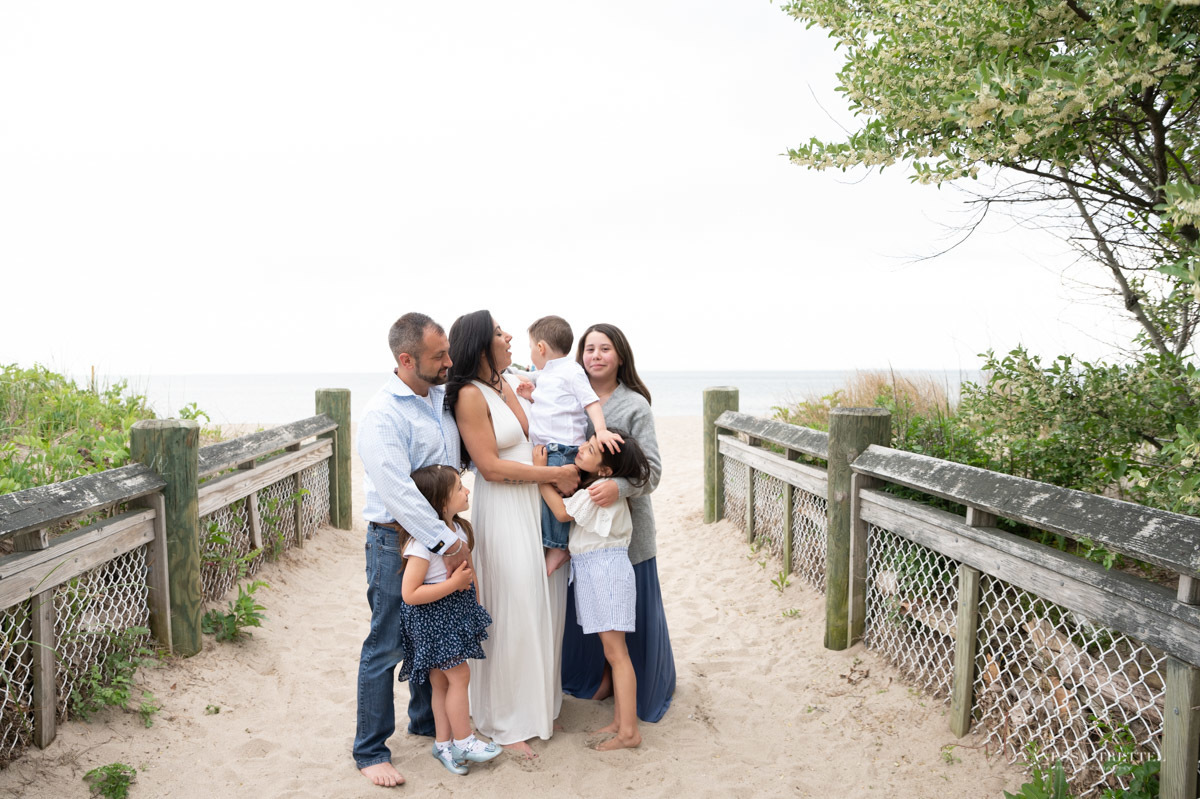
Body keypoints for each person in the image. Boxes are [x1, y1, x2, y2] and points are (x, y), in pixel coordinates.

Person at [445, 310, 580, 758]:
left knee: (545, 604)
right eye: (499, 332)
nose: (508, 337)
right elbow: (489, 466)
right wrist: (551, 472)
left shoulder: (507, 383)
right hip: (503, 507)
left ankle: (540, 704)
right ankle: (506, 719)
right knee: (513, 607)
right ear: (482, 344)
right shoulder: (469, 394)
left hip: (532, 501)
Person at [354, 312, 465, 788]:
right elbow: (399, 493)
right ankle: (370, 751)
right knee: (386, 644)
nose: (448, 361)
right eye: (439, 355)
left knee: (430, 634)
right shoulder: (383, 414)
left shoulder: (441, 396)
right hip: (394, 540)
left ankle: (425, 721)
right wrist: (448, 544)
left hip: (436, 533)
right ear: (406, 359)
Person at [561, 323, 676, 723]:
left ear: (620, 356)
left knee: (625, 619)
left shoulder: (634, 406)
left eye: (604, 348)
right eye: (588, 348)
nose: (595, 355)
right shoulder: (572, 397)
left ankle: (634, 696)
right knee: (593, 616)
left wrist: (618, 487)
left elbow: (653, 472)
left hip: (625, 531)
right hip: (580, 527)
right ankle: (599, 680)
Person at [535, 431, 651, 751]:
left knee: (617, 655)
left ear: (605, 471)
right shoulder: (595, 487)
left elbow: (561, 512)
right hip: (595, 571)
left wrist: (540, 474)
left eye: (589, 450)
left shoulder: (598, 491)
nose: (582, 449)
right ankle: (620, 721)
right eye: (585, 444)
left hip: (606, 573)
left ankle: (629, 732)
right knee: (613, 653)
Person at [396, 464, 502, 776]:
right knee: (460, 676)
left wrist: (474, 604)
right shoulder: (421, 543)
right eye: (459, 488)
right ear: (441, 501)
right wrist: (452, 586)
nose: (467, 491)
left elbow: (470, 573)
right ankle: (464, 740)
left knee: (441, 680)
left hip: (454, 611)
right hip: (431, 617)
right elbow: (410, 594)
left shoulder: (459, 531)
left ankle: (443, 744)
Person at [515, 315, 621, 577]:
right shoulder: (548, 374)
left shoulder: (572, 371)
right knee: (549, 500)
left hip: (561, 450)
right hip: (551, 448)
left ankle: (558, 546)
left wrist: (601, 430)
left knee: (555, 500)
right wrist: (532, 396)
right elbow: (550, 401)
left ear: (540, 348)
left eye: (530, 347)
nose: (530, 352)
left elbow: (590, 402)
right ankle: (554, 544)